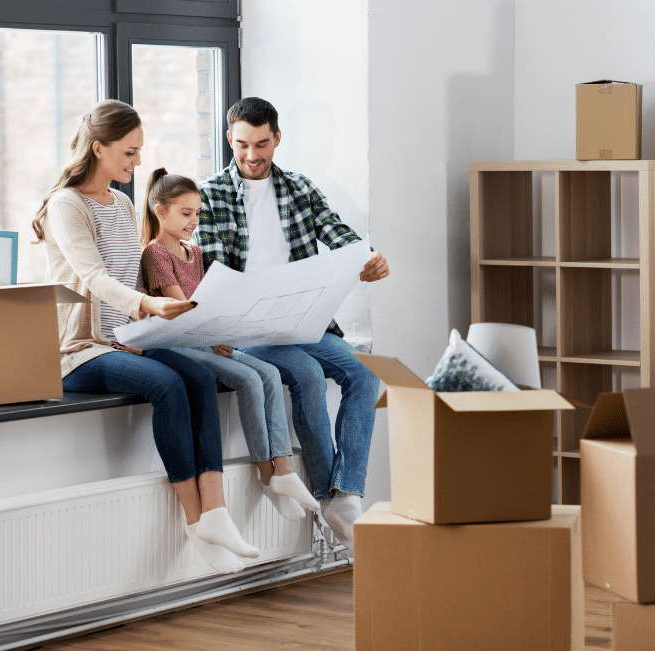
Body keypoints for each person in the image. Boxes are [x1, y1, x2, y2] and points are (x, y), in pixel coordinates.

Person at [31, 99, 258, 575]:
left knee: (196, 377)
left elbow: (128, 279)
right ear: (99, 148)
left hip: (124, 337)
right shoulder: (66, 205)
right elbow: (94, 278)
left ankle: (216, 512)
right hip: (80, 350)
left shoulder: (121, 202)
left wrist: (150, 323)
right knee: (167, 385)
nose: (137, 164)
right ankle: (195, 520)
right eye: (129, 153)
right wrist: (149, 306)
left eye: (138, 153)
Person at [196, 97, 390, 550]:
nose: (251, 155)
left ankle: (346, 492)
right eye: (242, 144)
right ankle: (326, 493)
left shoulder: (299, 188)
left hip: (304, 321)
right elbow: (212, 272)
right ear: (230, 139)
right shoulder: (210, 195)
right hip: (248, 329)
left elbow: (336, 231)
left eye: (262, 144)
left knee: (365, 373)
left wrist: (367, 257)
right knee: (305, 373)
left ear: (277, 139)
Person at [139, 168, 321, 521]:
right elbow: (183, 313)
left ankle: (282, 468)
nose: (194, 221)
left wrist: (222, 331)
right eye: (186, 214)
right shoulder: (156, 254)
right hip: (182, 347)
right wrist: (212, 332)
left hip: (207, 340)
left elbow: (210, 304)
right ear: (160, 211)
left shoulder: (194, 253)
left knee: (268, 373)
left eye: (197, 214)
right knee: (250, 379)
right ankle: (268, 476)